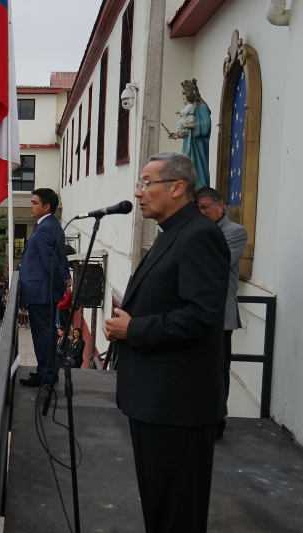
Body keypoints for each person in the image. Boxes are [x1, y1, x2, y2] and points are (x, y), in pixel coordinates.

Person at [103, 152, 229, 532]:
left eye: (146, 183)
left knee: (177, 512)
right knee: (160, 507)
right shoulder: (173, 233)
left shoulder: (199, 235)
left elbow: (201, 317)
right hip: (157, 400)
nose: (138, 193)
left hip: (179, 405)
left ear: (177, 188)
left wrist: (134, 330)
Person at [196, 186, 248, 440]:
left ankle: (217, 421)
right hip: (195, 312)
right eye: (198, 208)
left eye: (206, 206)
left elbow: (214, 263)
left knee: (218, 370)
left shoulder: (235, 232)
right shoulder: (198, 231)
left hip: (220, 316)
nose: (203, 211)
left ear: (220, 205)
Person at [18, 188, 71, 388]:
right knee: (46, 335)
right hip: (43, 291)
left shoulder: (46, 227)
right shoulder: (51, 225)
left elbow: (52, 263)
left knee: (43, 335)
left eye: (34, 202)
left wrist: (62, 283)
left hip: (41, 293)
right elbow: (61, 257)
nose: (30, 206)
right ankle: (48, 371)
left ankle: (45, 375)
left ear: (46, 206)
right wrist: (65, 278)